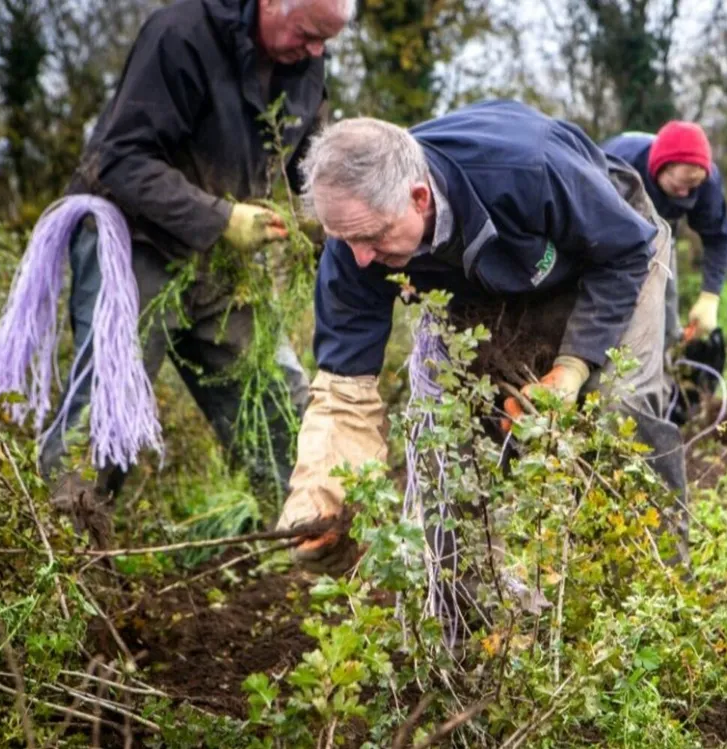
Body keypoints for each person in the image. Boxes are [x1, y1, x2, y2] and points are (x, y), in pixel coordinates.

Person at [274, 99, 688, 573]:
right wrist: (319, 497)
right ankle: (472, 612)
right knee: (453, 438)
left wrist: (570, 370)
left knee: (618, 410)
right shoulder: (356, 242)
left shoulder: (529, 167)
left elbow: (624, 253)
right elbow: (345, 387)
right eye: (344, 239)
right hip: (488, 282)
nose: (361, 259)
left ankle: (660, 586)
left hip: (612, 248)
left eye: (373, 237)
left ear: (419, 198)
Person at [40, 0, 351, 521]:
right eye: (308, 33)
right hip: (133, 242)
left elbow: (308, 163)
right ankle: (65, 558)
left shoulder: (305, 62)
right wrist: (221, 218)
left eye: (326, 40)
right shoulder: (180, 35)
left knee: (274, 401)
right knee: (107, 412)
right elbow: (121, 159)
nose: (317, 50)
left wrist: (333, 211)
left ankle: (308, 542)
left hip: (222, 260)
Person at [602, 122, 727, 345]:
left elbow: (718, 238)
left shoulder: (706, 183)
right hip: (607, 224)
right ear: (660, 168)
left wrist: (710, 296)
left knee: (665, 300)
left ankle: (667, 356)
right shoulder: (616, 165)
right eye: (679, 185)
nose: (685, 193)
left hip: (662, 229)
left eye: (693, 186)